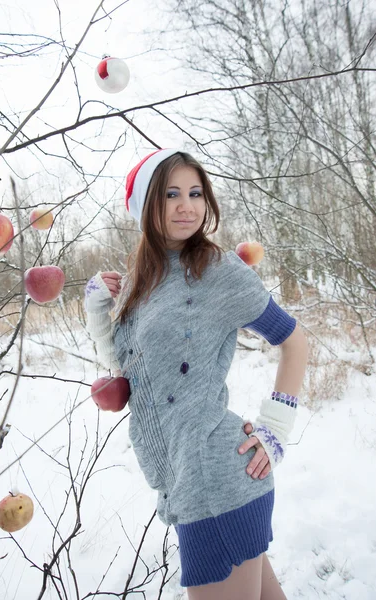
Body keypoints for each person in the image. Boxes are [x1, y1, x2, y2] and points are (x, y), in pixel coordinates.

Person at [84, 149, 308, 600]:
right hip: (187, 481)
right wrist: (95, 309)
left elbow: (296, 342)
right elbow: (125, 371)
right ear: (147, 205)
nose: (187, 205)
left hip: (217, 480)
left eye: (195, 193)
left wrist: (275, 431)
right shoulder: (140, 281)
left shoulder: (219, 272)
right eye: (171, 194)